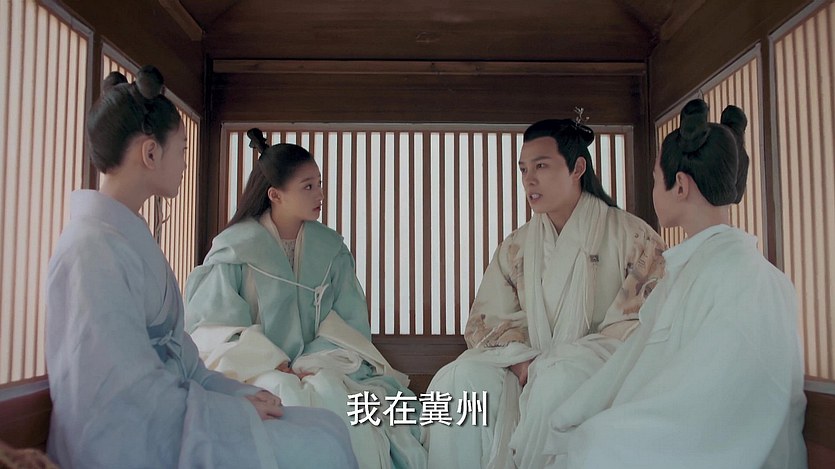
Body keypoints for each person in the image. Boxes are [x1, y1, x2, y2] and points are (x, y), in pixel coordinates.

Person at [46, 66, 357, 469]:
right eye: (181, 150)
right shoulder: (92, 250)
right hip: (134, 433)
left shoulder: (125, 240)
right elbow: (124, 393)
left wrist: (239, 395)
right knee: (319, 447)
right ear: (151, 153)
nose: (184, 163)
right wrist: (233, 409)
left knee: (328, 427)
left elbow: (186, 362)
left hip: (173, 409)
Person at [544, 99, 806, 468]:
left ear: (679, 185)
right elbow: (641, 362)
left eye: (655, 180)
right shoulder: (715, 269)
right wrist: (575, 413)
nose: (654, 190)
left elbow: (708, 397)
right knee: (582, 429)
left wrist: (594, 426)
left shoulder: (734, 276)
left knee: (595, 443)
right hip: (707, 430)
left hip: (729, 444)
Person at [422, 118, 667, 469]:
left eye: (541, 166)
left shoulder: (633, 236)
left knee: (558, 378)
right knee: (457, 380)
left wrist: (564, 359)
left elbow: (643, 322)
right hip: (526, 365)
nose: (529, 180)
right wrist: (521, 359)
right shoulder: (517, 246)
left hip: (598, 370)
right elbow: (487, 321)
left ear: (577, 168)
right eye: (523, 169)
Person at [184, 129, 428, 469]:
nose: (320, 194)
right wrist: (271, 361)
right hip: (253, 369)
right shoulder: (235, 249)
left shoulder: (331, 250)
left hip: (321, 364)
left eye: (319, 184)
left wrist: (310, 362)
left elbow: (348, 323)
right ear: (275, 195)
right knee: (282, 390)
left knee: (330, 390)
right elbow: (214, 327)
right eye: (308, 186)